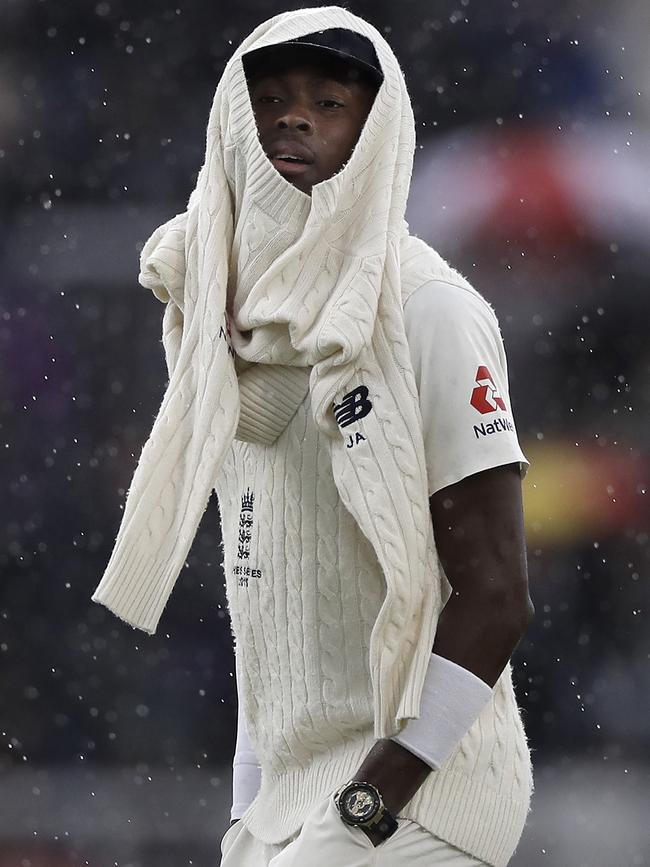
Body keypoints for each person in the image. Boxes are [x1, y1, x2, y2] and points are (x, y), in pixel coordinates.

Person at [91, 7, 534, 867]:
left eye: (331, 102)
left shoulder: (429, 311)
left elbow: (497, 595)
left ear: (377, 136)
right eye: (271, 97)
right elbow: (270, 610)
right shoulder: (219, 322)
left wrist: (368, 803)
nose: (294, 117)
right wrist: (245, 814)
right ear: (231, 120)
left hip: (419, 797)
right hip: (286, 807)